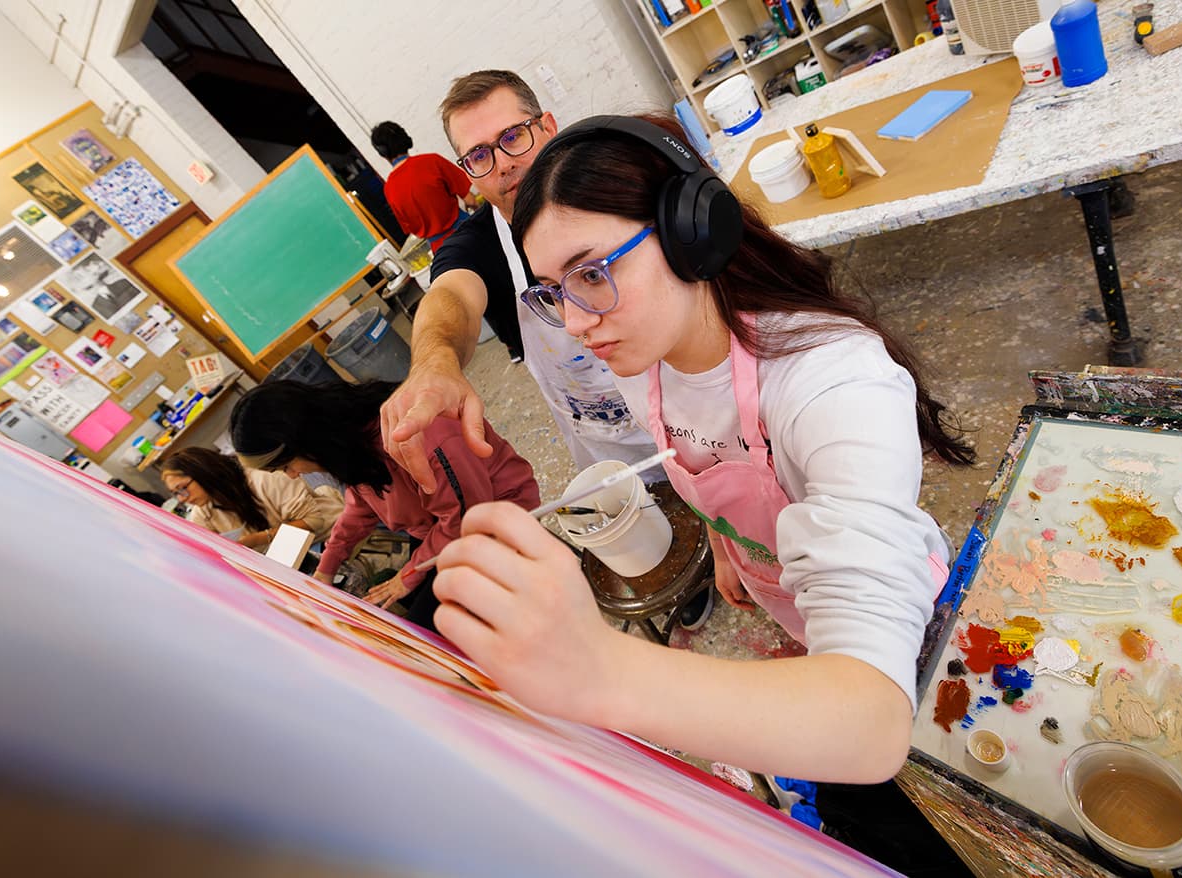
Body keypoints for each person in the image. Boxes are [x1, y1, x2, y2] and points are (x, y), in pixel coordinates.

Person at [428, 114, 977, 789]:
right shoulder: (644, 363)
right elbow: (698, 460)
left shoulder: (833, 381)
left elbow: (869, 722)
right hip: (785, 605)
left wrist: (598, 667)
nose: (573, 322)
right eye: (551, 292)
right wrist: (728, 548)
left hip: (902, 637)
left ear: (693, 235)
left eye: (592, 273)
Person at [379, 69, 660, 486]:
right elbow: (450, 297)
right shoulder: (476, 246)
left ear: (548, 126)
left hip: (696, 431)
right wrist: (434, 363)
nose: (503, 164)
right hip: (613, 465)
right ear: (468, 172)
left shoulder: (620, 189)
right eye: (479, 155)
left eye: (513, 137)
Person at [229, 380, 539, 631]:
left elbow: (465, 518)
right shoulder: (351, 440)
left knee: (429, 627)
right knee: (410, 612)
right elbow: (360, 505)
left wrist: (406, 576)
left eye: (287, 466)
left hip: (494, 515)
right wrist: (327, 567)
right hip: (439, 525)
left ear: (304, 440)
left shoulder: (418, 438)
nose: (294, 475)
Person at [161, 446, 394, 594]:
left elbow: (314, 521)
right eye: (177, 495)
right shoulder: (204, 511)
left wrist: (255, 539)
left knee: (334, 585)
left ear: (203, 472)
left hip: (327, 535)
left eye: (183, 489)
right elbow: (209, 552)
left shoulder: (260, 479)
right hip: (287, 557)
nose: (184, 499)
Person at [370, 121, 476, 252]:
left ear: (382, 153)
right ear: (405, 138)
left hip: (442, 252)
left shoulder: (389, 189)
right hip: (469, 233)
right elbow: (471, 201)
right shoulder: (432, 161)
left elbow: (410, 229)